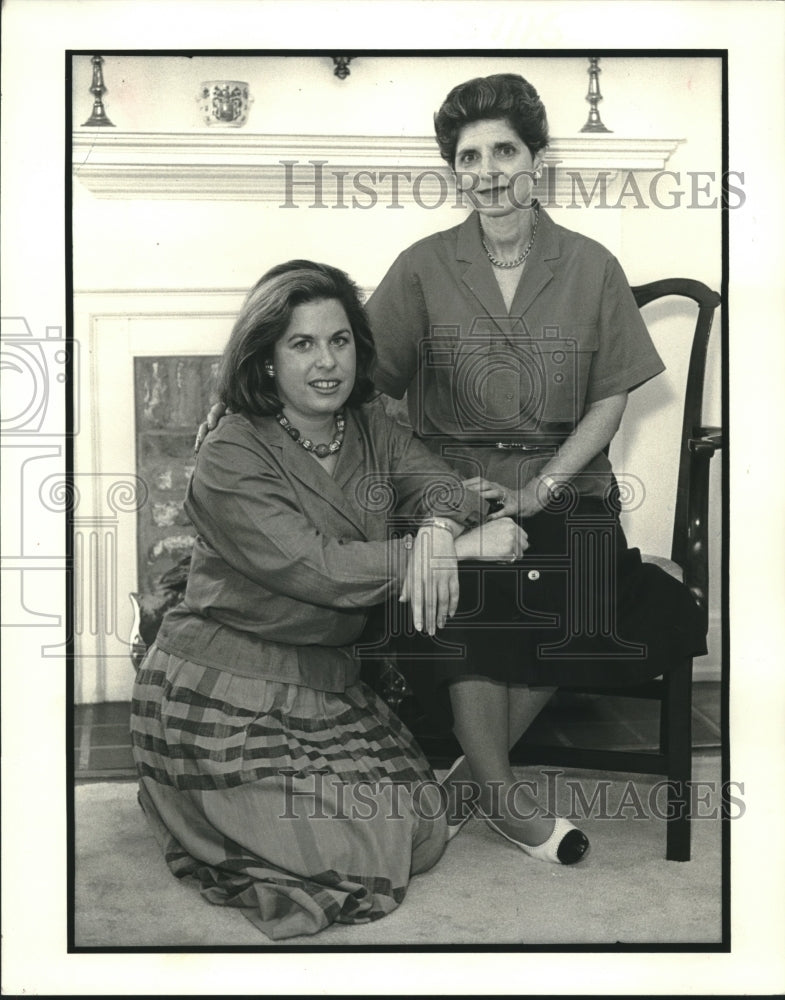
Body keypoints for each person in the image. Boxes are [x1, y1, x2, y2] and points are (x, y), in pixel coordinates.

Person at [197, 73, 707, 865]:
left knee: (586, 590)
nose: (490, 170)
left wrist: (537, 492)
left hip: (565, 486)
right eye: (471, 156)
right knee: (472, 598)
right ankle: (509, 801)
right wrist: (436, 501)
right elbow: (363, 386)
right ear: (455, 170)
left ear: (536, 160)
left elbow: (608, 403)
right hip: (452, 489)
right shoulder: (423, 266)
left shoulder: (590, 264)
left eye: (505, 149)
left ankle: (473, 780)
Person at [130, 259, 531, 941]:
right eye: (302, 344)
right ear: (264, 362)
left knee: (419, 830)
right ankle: (195, 799)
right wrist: (460, 548)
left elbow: (448, 487)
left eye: (339, 341)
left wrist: (436, 526)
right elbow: (316, 569)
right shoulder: (232, 453)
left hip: (323, 682)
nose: (327, 363)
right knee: (353, 855)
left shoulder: (366, 427)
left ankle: (237, 811)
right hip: (221, 686)